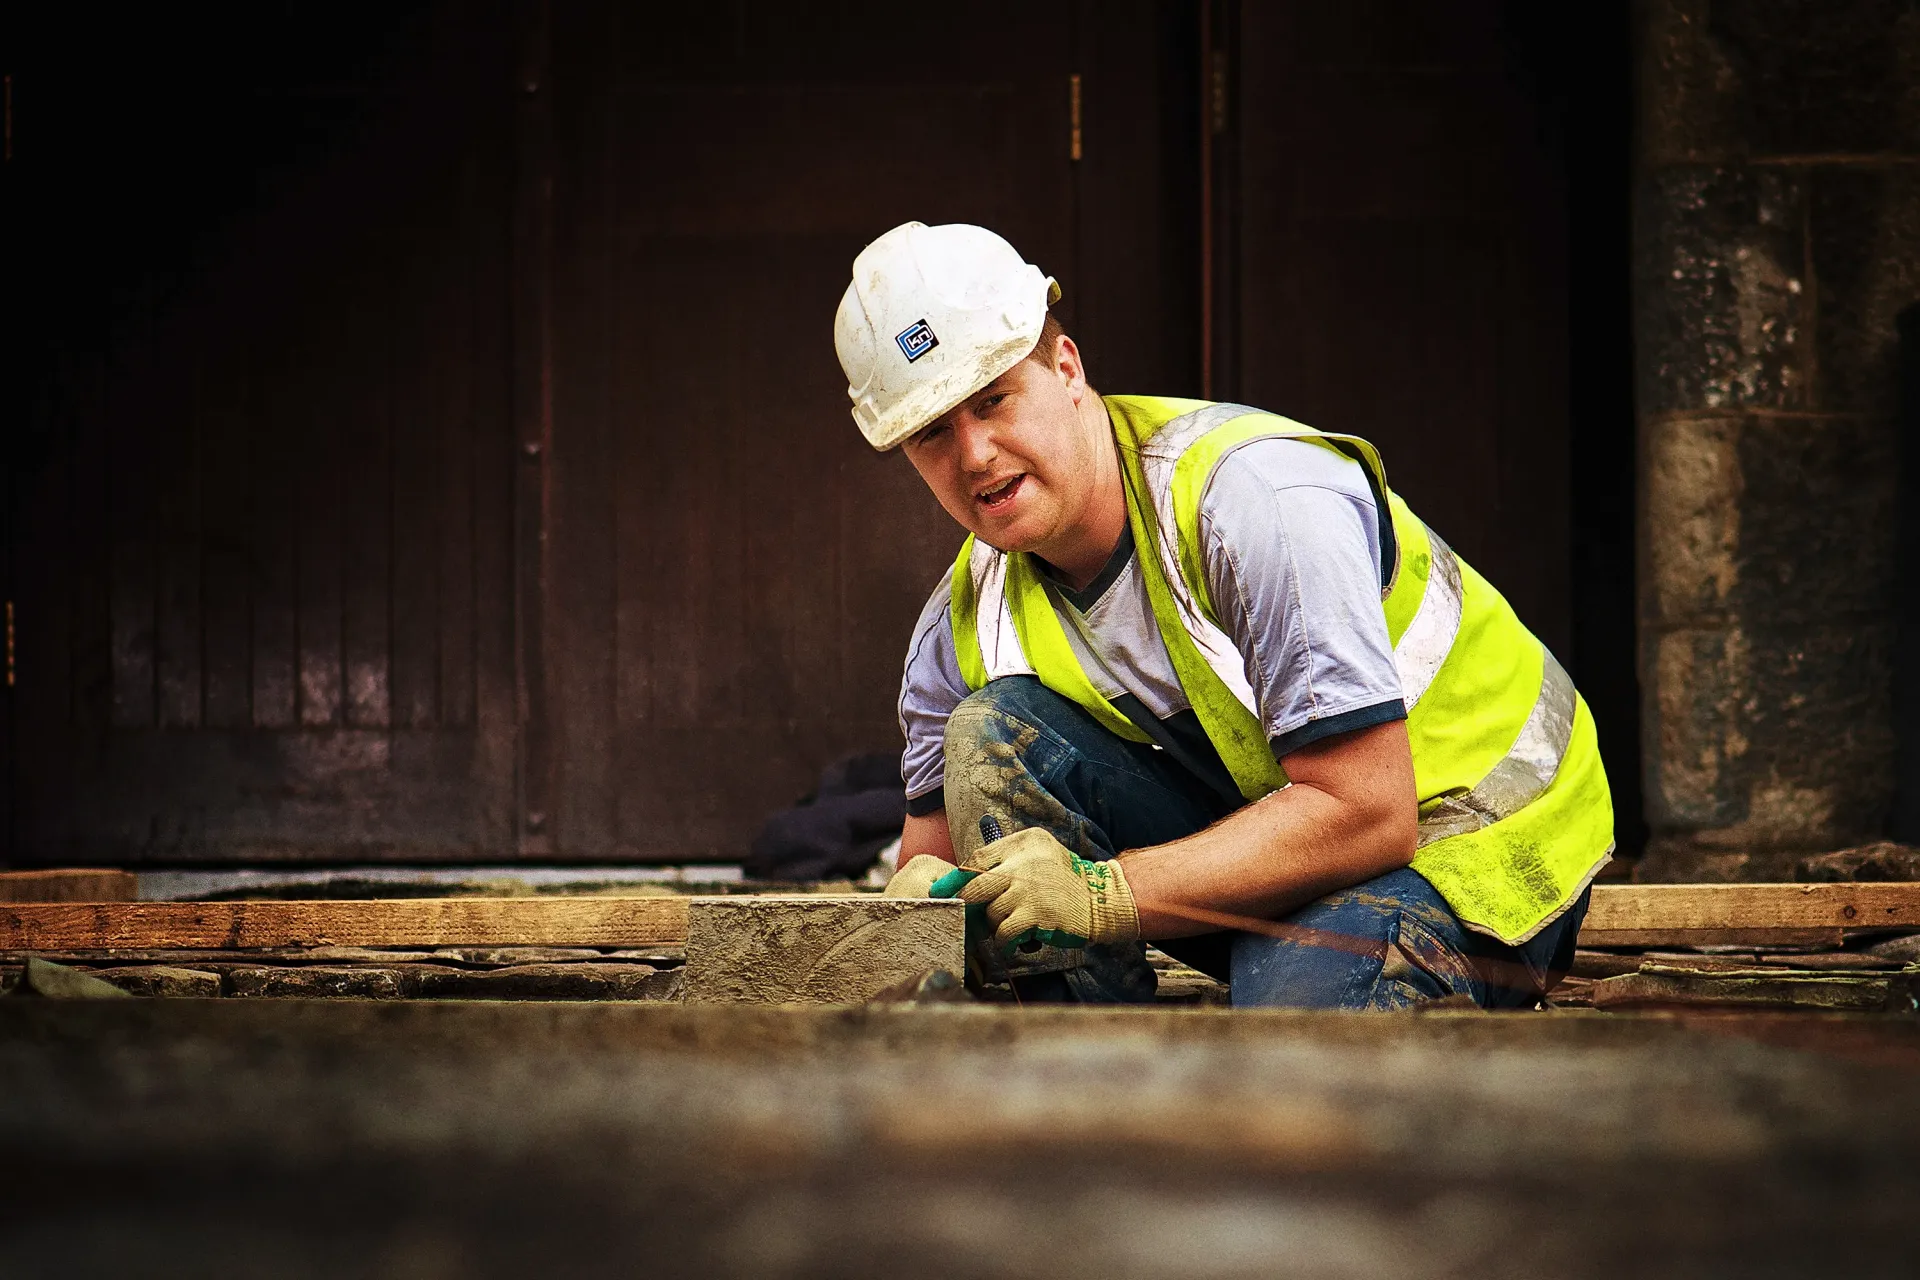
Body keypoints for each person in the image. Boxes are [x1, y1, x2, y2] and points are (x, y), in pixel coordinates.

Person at [833, 221, 1613, 1008]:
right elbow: (924, 870)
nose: (974, 456)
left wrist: (1103, 894)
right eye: (933, 433)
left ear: (1066, 370)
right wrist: (929, 909)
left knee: (1286, 1053)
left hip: (1470, 831)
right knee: (989, 731)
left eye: (994, 401)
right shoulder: (961, 620)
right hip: (1279, 829)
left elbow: (1371, 813)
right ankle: (1082, 1076)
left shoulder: (1255, 501)